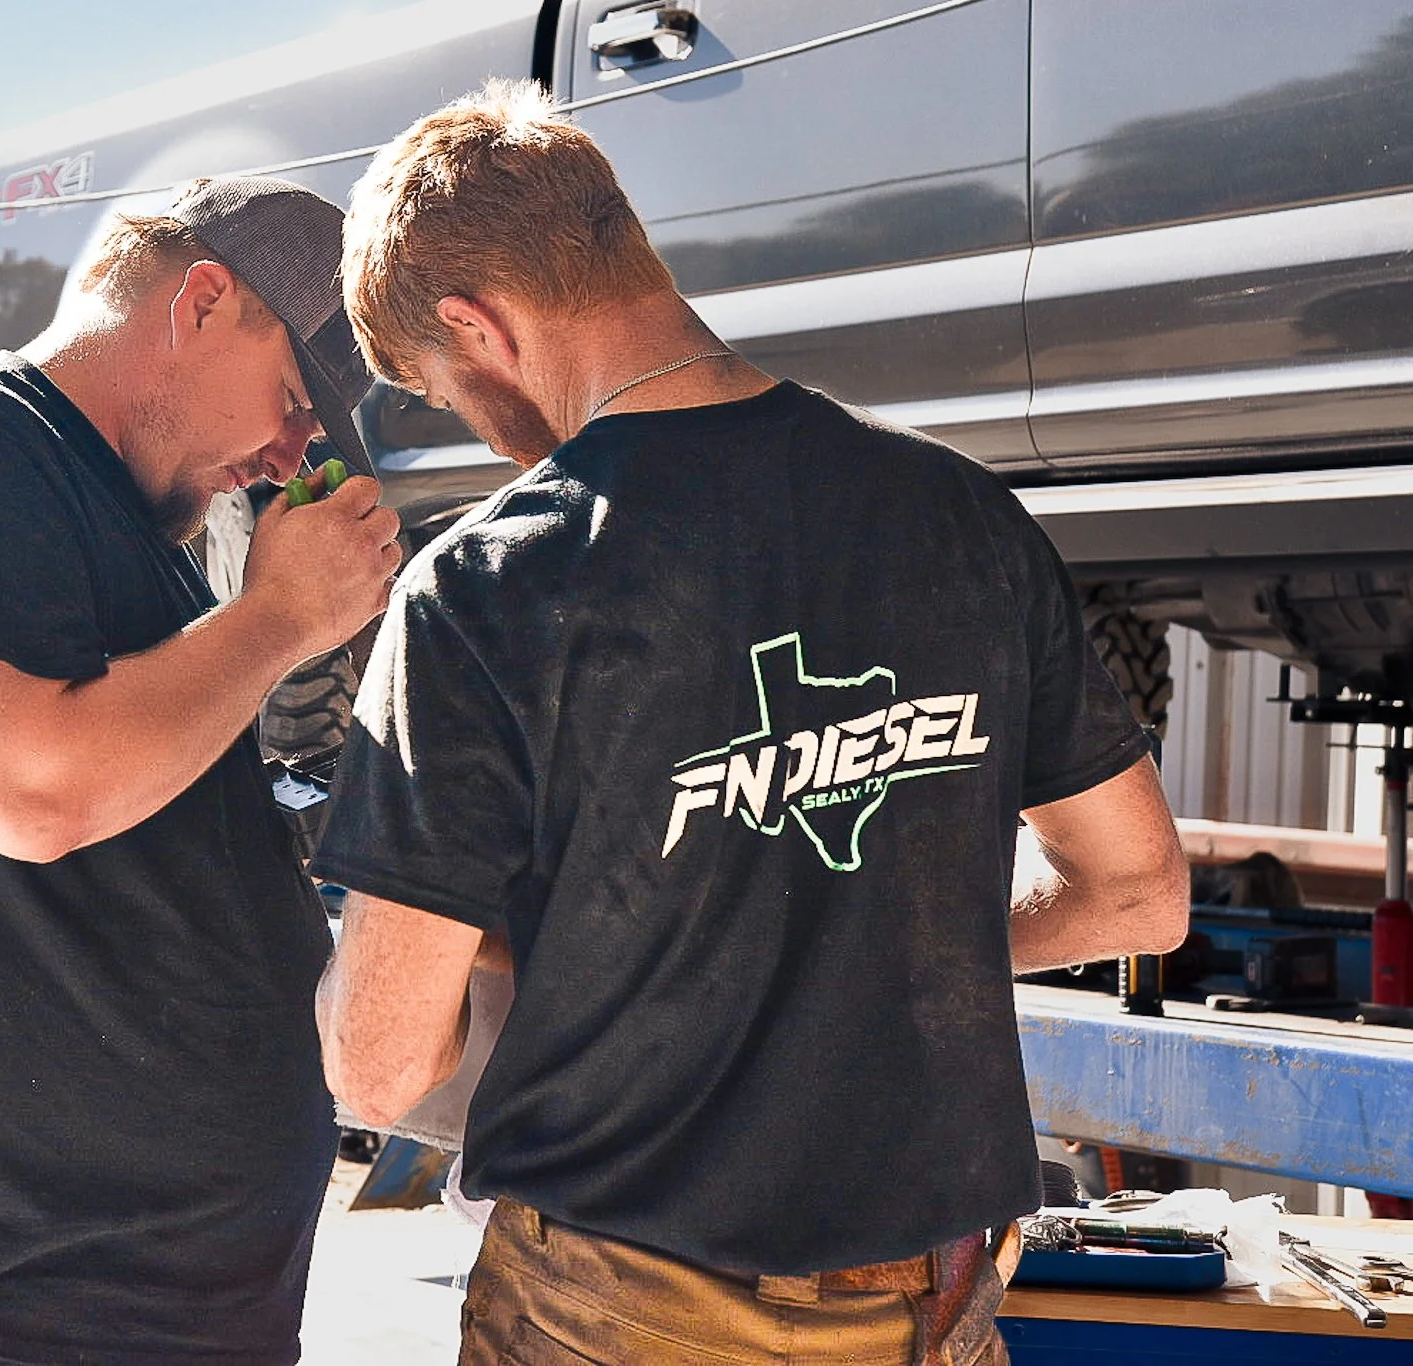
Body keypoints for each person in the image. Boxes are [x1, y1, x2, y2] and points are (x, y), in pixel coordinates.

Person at [312, 82, 1190, 1366]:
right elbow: (1140, 897)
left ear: (473, 323)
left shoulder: (487, 587)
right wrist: (870, 959)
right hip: (932, 1302)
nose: (474, 428)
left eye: (443, 390)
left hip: (618, 1310)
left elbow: (379, 1070)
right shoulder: (964, 518)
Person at [0, 176, 402, 1365]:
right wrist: (276, 618)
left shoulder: (143, 541)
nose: (291, 449)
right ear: (204, 300)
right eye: (290, 397)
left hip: (154, 1298)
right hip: (16, 1300)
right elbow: (33, 789)